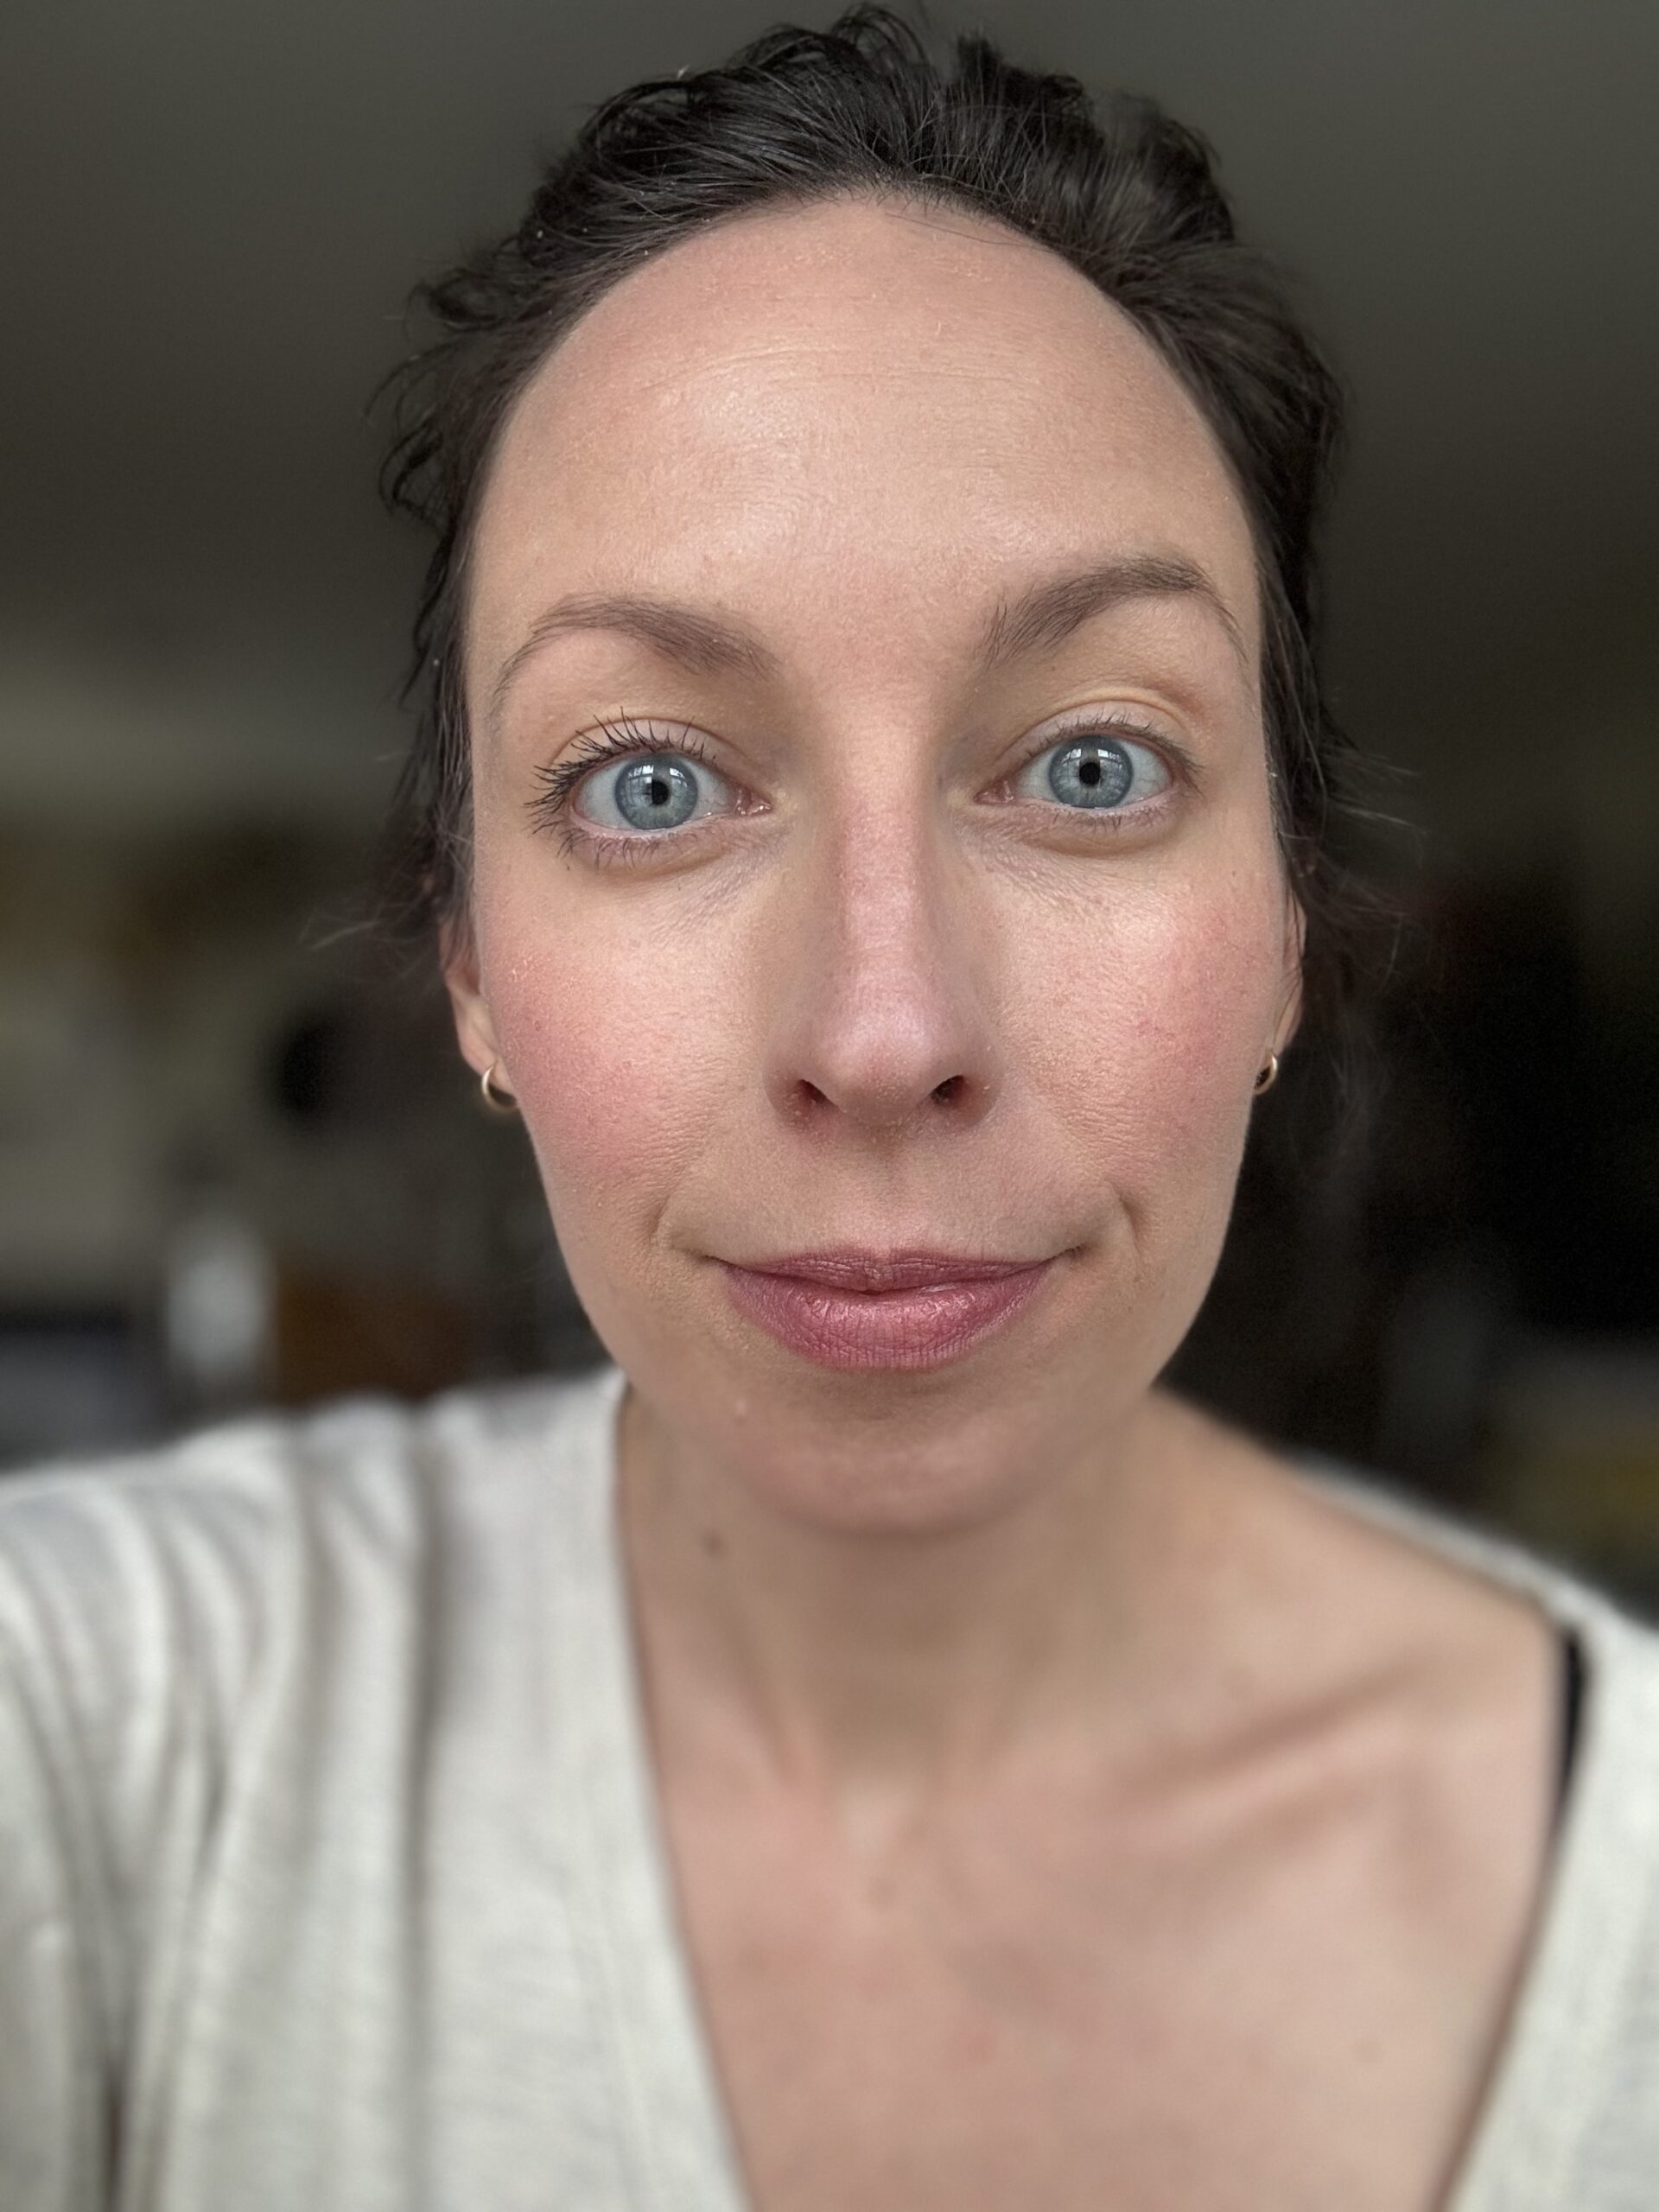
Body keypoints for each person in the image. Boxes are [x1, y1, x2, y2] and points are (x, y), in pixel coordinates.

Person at [3, 11, 1656, 2209]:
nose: (882, 1033)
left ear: (1281, 940)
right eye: (653, 783)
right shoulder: (112, 1729)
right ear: (476, 971)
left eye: (1091, 764)